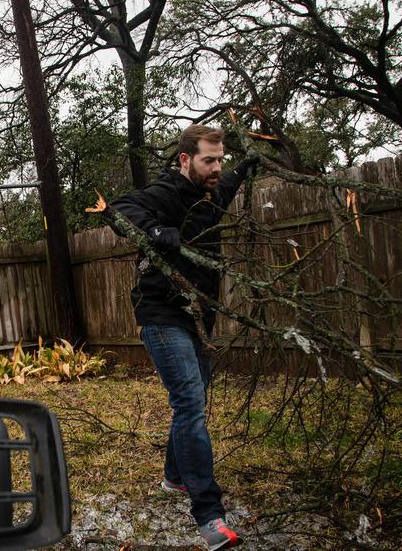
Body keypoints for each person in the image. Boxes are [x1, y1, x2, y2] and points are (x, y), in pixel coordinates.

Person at [109, 124, 258, 550]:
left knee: (193, 401)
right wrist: (159, 234)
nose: (216, 168)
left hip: (197, 319)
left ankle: (175, 478)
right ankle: (210, 517)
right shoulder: (167, 192)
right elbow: (119, 208)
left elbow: (228, 184)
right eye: (208, 160)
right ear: (184, 160)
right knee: (190, 402)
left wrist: (247, 164)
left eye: (220, 159)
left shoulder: (211, 193)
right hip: (162, 314)